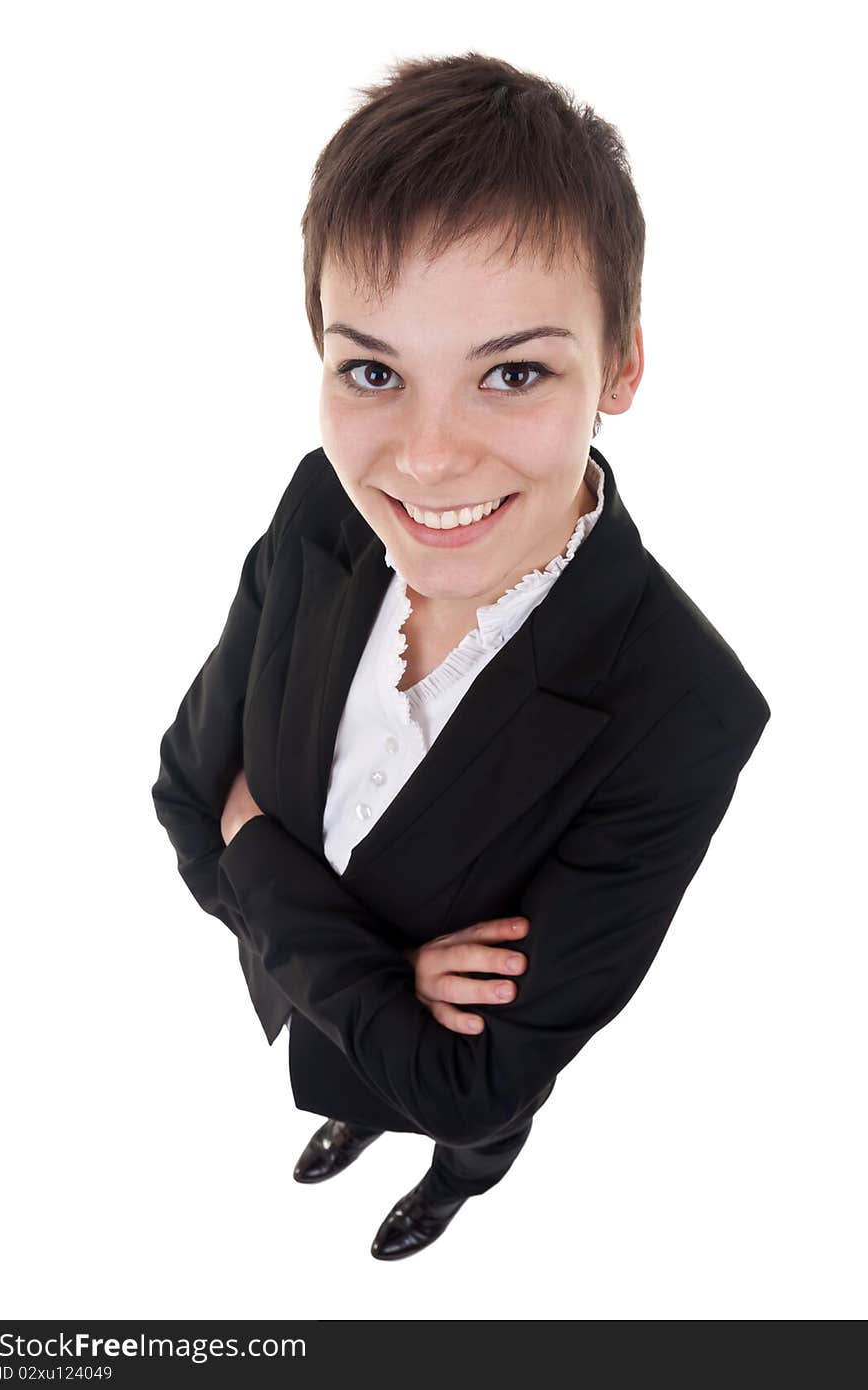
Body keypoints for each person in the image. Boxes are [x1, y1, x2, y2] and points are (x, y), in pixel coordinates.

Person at [151, 52, 771, 1261]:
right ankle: (349, 1107)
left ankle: (452, 1190)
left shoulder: (689, 709)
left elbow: (471, 1081)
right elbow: (183, 801)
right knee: (361, 1068)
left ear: (623, 365)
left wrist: (257, 852)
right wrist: (386, 983)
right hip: (345, 1014)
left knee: (467, 1134)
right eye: (373, 370)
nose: (426, 460)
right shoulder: (320, 508)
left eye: (515, 372)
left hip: (458, 1097)